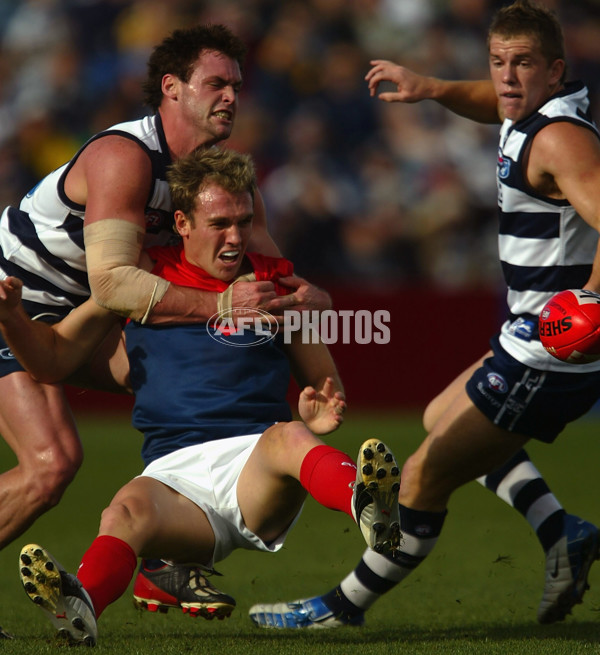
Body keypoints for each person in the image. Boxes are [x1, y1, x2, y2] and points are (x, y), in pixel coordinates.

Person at [248, 0, 600, 629]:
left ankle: (338, 610)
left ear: (556, 69)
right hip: (526, 335)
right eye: (498, 63)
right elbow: (493, 101)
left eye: (522, 65)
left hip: (550, 351)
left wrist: (593, 298)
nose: (506, 79)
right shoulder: (531, 110)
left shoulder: (558, 139)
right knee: (439, 414)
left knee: (419, 480)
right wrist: (431, 88)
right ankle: (562, 531)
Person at [0, 23, 330, 624]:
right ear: (171, 89)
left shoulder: (216, 173)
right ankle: (163, 554)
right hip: (17, 305)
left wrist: (313, 300)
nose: (231, 95)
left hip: (87, 316)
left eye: (236, 83)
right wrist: (222, 308)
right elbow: (114, 283)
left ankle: (164, 555)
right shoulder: (124, 158)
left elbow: (271, 272)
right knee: (50, 466)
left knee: (181, 382)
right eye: (215, 84)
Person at [6, 146, 401, 646]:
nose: (235, 236)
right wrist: (12, 318)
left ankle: (368, 507)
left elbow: (323, 382)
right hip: (174, 478)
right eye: (220, 223)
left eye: (244, 221)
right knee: (123, 511)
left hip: (256, 465)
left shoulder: (274, 285)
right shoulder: (140, 284)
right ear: (182, 223)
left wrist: (323, 409)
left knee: (291, 436)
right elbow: (53, 359)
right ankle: (81, 606)